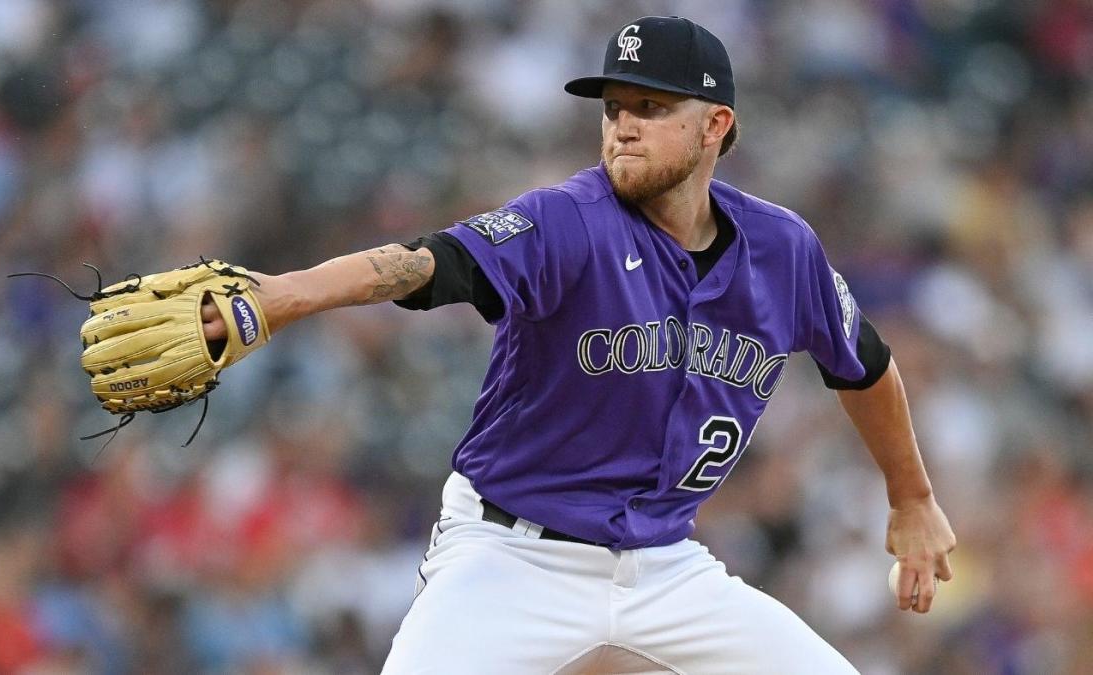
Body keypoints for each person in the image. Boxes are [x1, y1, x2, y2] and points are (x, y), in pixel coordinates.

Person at [201, 15, 956, 673]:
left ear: (716, 124)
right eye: (613, 107)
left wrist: (912, 495)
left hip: (665, 568)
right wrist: (284, 296)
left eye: (650, 107)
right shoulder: (571, 219)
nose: (622, 124)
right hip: (512, 556)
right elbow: (431, 264)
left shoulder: (782, 248)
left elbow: (865, 366)